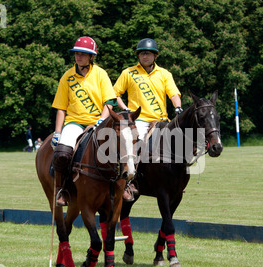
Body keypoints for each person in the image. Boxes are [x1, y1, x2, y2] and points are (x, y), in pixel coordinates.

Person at [50, 36, 118, 206]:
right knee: (62, 153)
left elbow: (109, 102)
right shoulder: (67, 76)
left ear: (91, 57)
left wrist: (101, 120)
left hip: (99, 121)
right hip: (75, 123)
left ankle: (121, 188)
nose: (79, 56)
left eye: (83, 54)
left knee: (119, 150)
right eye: (77, 53)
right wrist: (58, 132)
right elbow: (61, 107)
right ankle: (63, 190)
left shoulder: (101, 74)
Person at [113, 38, 182, 201]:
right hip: (139, 119)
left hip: (161, 119)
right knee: (138, 146)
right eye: (142, 53)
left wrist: (177, 106)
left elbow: (174, 94)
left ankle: (178, 181)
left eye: (149, 53)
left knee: (181, 145)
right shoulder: (128, 73)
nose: (145, 56)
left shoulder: (164, 74)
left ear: (155, 56)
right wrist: (125, 109)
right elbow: (115, 94)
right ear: (138, 55)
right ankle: (130, 182)